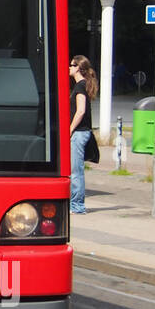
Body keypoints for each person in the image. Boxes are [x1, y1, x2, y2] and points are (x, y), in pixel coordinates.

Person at [68, 54, 98, 215]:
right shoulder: (82, 85)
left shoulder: (80, 86)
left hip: (79, 133)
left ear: (78, 68)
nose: (69, 67)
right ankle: (76, 204)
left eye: (71, 65)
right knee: (75, 169)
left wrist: (70, 129)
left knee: (76, 171)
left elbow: (80, 111)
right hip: (82, 133)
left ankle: (77, 206)